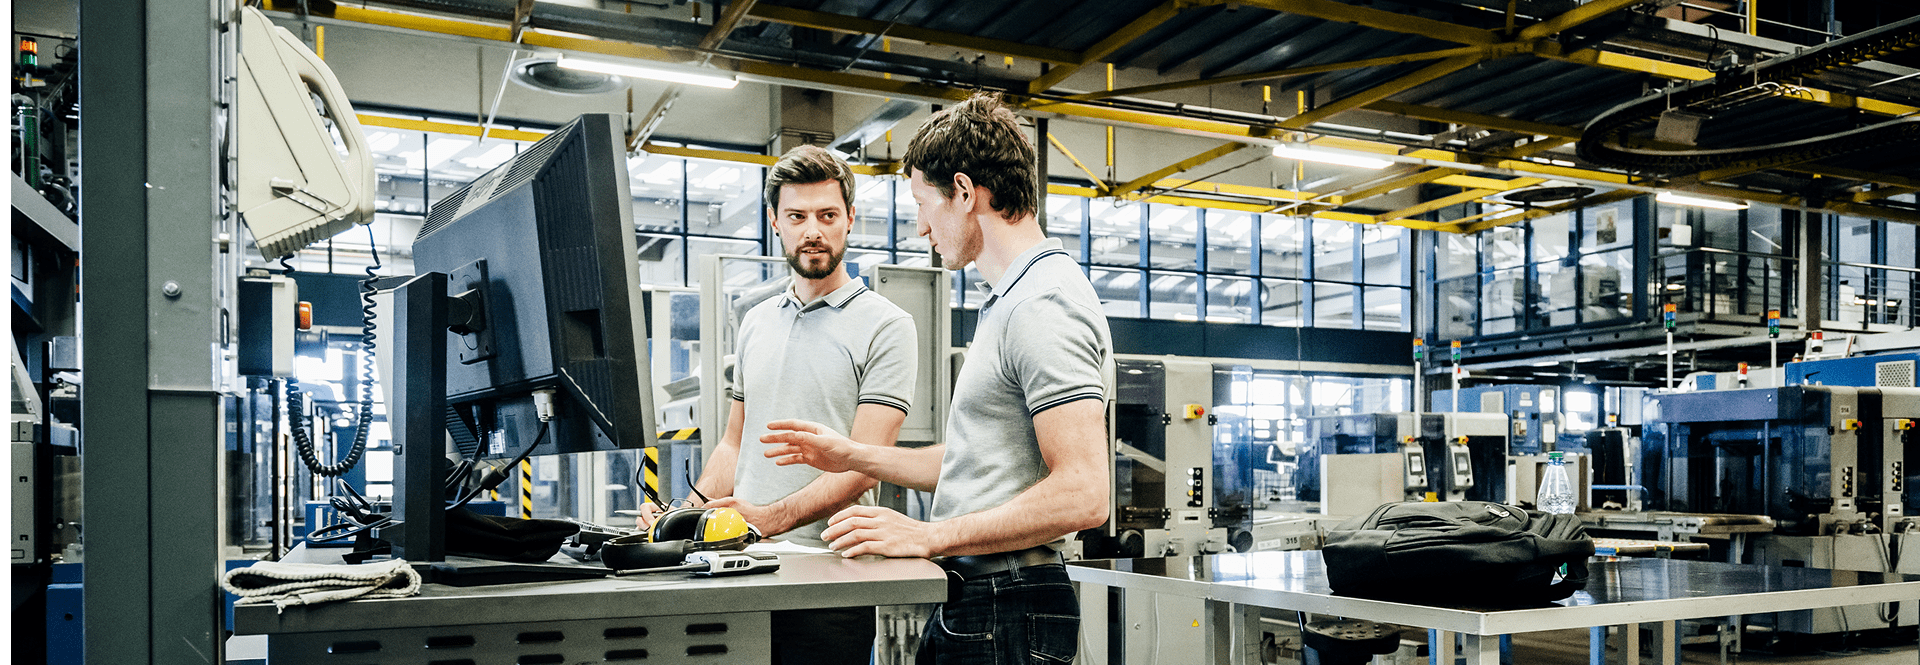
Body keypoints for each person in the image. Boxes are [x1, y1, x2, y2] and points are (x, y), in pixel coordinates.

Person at [760, 93, 1112, 665]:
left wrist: (928, 536)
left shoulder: (1043, 303)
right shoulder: (1011, 300)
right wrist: (853, 455)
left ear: (966, 192)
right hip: (988, 594)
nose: (922, 228)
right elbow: (976, 462)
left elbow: (1084, 492)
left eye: (925, 203)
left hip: (1009, 597)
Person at [639, 144, 918, 665]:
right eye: (797, 216)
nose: (813, 229)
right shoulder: (756, 321)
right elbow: (733, 443)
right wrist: (679, 518)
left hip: (831, 576)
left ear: (850, 219)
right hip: (740, 570)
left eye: (827, 215)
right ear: (775, 221)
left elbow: (863, 465)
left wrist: (767, 518)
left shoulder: (888, 325)